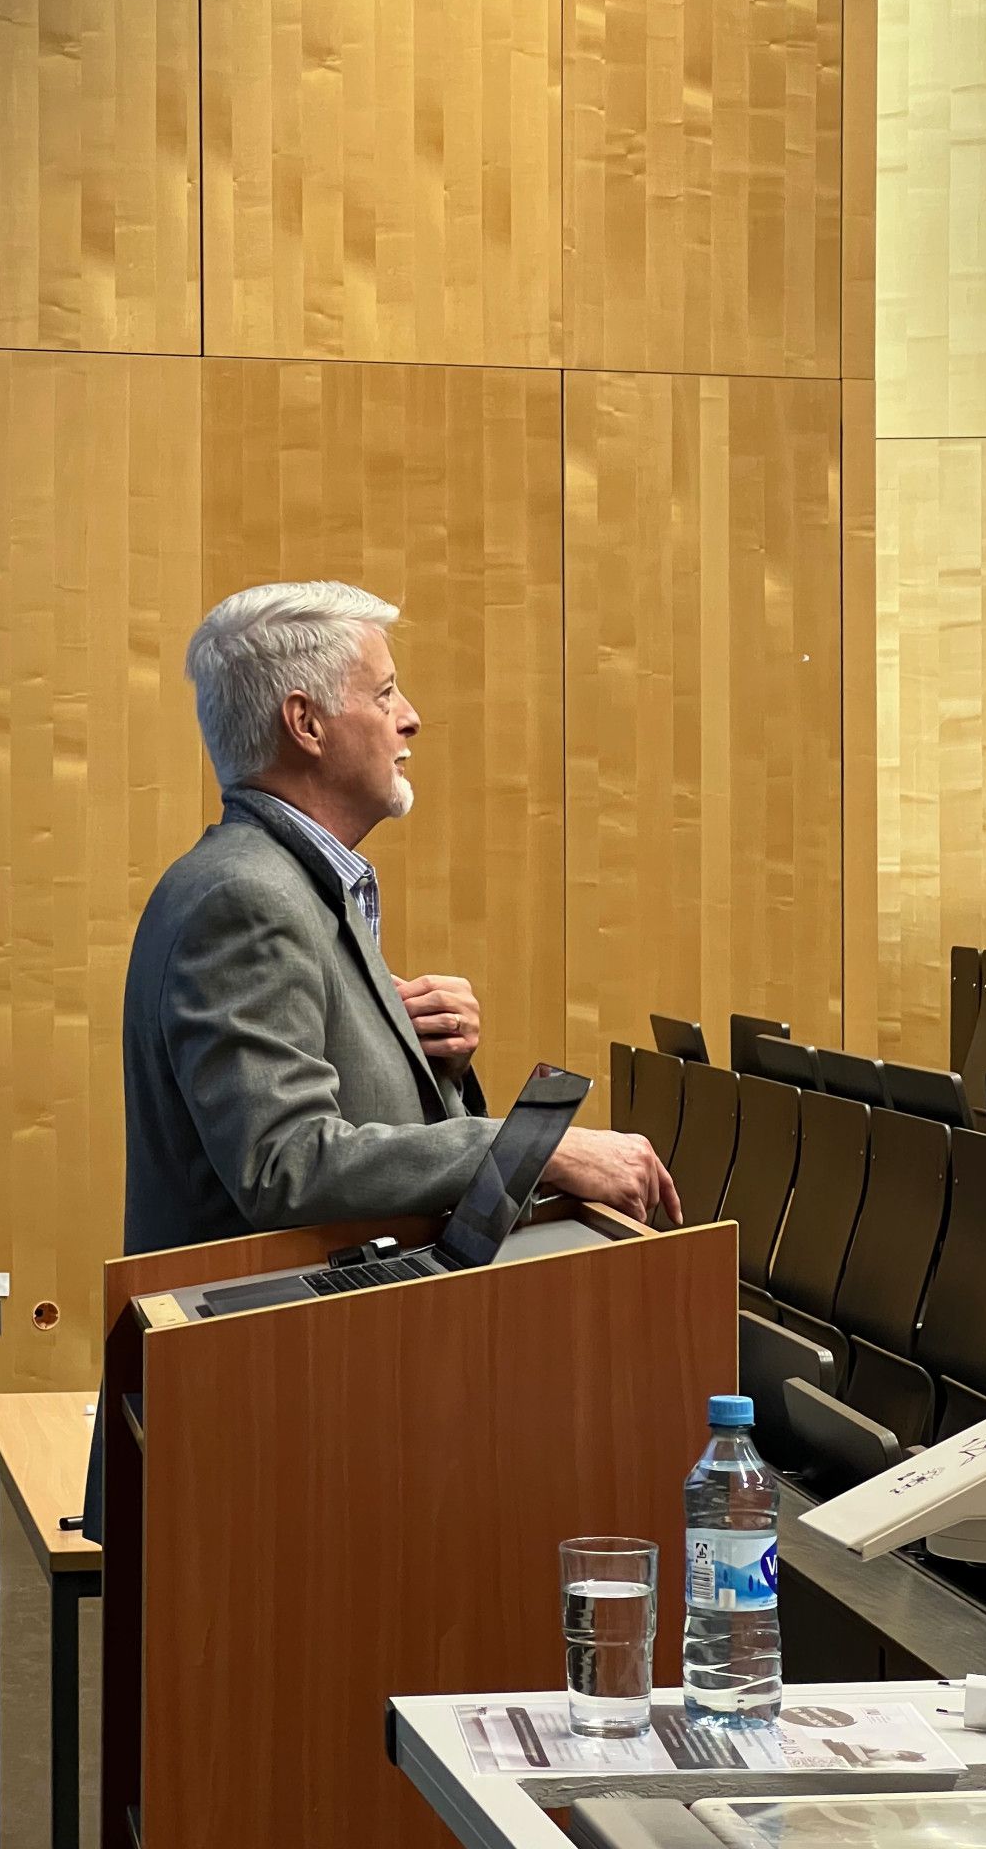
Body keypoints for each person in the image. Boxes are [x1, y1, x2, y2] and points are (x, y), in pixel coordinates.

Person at [83, 582, 678, 1537]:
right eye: (386, 692)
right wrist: (536, 1152)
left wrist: (422, 1049)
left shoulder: (293, 886)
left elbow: (322, 1099)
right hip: (246, 1423)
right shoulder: (249, 900)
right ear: (306, 722)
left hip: (282, 1401)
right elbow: (286, 1163)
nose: (411, 718)